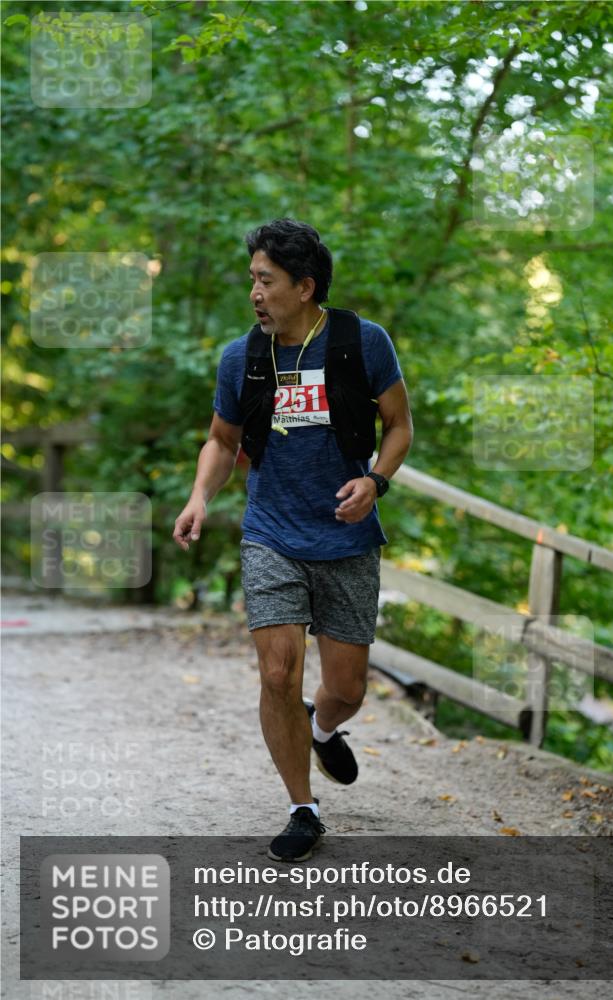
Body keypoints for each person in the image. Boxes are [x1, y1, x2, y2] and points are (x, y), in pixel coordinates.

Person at [173, 218, 413, 862]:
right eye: (251, 279)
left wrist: (376, 482)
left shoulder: (363, 343)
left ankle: (323, 723)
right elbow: (223, 442)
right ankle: (302, 808)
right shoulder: (242, 358)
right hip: (271, 533)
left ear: (304, 287)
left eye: (266, 281)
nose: (254, 292)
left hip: (346, 537)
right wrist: (200, 497)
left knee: (348, 687)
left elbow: (398, 426)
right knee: (277, 671)